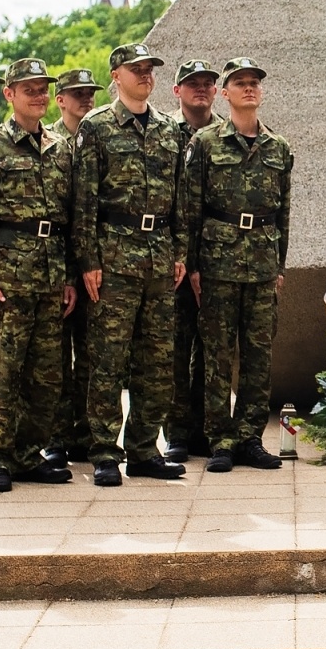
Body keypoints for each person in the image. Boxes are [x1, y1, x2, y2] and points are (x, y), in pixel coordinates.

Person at [73, 42, 188, 487]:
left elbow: (180, 201)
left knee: (157, 359)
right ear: (116, 76)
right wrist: (88, 260)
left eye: (149, 69)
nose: (145, 75)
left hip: (159, 256)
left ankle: (144, 449)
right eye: (136, 69)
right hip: (114, 257)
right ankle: (104, 450)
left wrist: (179, 252)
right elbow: (83, 201)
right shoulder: (96, 128)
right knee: (108, 358)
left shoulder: (167, 130)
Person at [0, 59, 77, 493]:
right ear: (9, 95)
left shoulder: (58, 147)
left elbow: (68, 218)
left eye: (43, 89)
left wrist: (66, 276)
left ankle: (29, 455)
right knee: (2, 372)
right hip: (7, 280)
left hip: (49, 277)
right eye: (29, 89)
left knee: (46, 375)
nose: (39, 96)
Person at [180, 58, 292, 472]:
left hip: (262, 264)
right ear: (224, 94)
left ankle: (249, 438)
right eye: (240, 83)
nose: (249, 89)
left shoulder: (278, 147)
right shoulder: (206, 143)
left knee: (258, 357)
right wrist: (192, 265)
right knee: (217, 357)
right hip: (218, 263)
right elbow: (190, 209)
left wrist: (279, 265)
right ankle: (219, 440)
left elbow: (284, 213)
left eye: (254, 83)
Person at [44, 68, 102, 464]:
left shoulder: (102, 136)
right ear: (60, 99)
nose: (86, 99)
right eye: (76, 94)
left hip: (100, 263)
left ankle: (86, 433)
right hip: (54, 267)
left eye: (90, 93)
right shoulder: (48, 143)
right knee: (54, 358)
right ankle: (56, 435)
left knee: (93, 356)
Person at [166, 59, 220, 463]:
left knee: (211, 349)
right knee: (174, 347)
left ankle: (206, 429)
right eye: (192, 84)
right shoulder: (165, 134)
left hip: (219, 257)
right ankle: (178, 432)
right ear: (177, 91)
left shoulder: (226, 133)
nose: (200, 89)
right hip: (171, 258)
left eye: (207, 84)